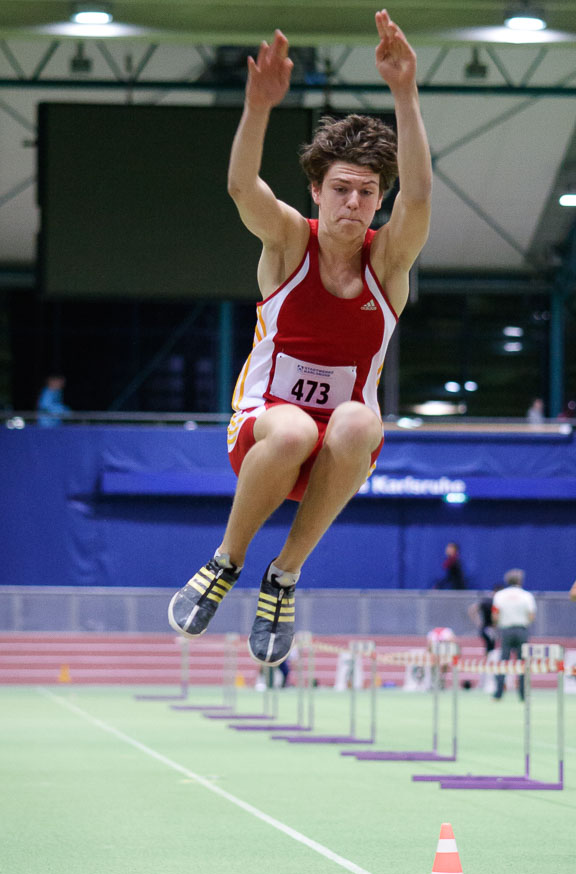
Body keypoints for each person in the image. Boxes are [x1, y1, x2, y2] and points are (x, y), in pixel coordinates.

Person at [169, 9, 432, 666]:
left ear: (378, 201)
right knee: (292, 429)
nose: (354, 203)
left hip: (339, 454)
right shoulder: (290, 243)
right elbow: (241, 187)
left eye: (368, 193)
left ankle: (283, 575)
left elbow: (421, 199)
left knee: (353, 422)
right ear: (316, 192)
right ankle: (227, 560)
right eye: (341, 189)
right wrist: (257, 107)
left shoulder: (388, 265)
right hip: (264, 435)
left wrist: (405, 91)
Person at [491, 568, 536, 701]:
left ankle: (498, 694)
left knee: (503, 662)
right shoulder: (526, 595)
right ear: (520, 581)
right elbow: (531, 615)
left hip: (506, 630)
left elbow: (495, 615)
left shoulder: (499, 595)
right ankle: (523, 695)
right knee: (523, 663)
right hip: (521, 630)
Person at [467, 584, 501, 654]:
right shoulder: (491, 602)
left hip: (486, 628)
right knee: (491, 649)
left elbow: (472, 609)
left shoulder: (487, 601)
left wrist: (478, 621)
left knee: (491, 648)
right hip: (490, 627)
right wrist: (478, 621)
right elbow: (472, 609)